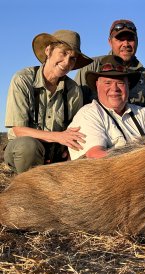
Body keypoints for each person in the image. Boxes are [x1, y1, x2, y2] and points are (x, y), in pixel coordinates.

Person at [4, 29, 93, 174]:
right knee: (28, 146)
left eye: (73, 58)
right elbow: (18, 130)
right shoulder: (22, 79)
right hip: (23, 151)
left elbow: (76, 131)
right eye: (63, 53)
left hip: (56, 154)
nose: (66, 62)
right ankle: (28, 186)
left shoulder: (74, 90)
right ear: (48, 50)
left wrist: (70, 151)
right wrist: (58, 137)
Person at [68, 55, 145, 160]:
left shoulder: (144, 114)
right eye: (108, 83)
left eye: (120, 83)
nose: (114, 89)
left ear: (128, 85)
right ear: (97, 85)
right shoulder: (88, 114)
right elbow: (95, 155)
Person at [74, 19, 145, 122]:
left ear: (137, 42)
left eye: (130, 39)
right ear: (110, 42)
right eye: (120, 39)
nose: (126, 44)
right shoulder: (91, 66)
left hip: (135, 134)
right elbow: (76, 106)